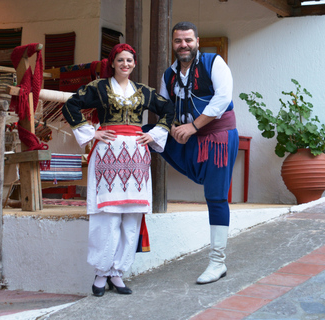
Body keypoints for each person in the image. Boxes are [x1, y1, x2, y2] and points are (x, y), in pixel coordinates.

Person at [62, 43, 175, 296]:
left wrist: (154, 133)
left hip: (136, 156)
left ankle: (118, 272)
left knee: (132, 216)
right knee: (107, 216)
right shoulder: (99, 88)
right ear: (112, 63)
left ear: (134, 64)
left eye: (130, 61)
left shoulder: (144, 92)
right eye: (121, 60)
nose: (125, 64)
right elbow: (70, 105)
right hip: (107, 154)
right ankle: (101, 273)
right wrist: (93, 132)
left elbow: (168, 109)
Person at [149, 21, 238, 284]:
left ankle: (217, 262)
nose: (183, 45)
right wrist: (174, 126)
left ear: (197, 41)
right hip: (190, 137)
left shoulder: (214, 62)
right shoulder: (169, 74)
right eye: (178, 41)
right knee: (147, 131)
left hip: (218, 137)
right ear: (173, 44)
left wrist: (193, 126)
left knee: (216, 197)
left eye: (188, 40)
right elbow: (165, 108)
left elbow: (223, 99)